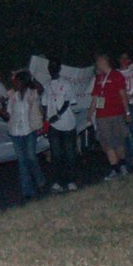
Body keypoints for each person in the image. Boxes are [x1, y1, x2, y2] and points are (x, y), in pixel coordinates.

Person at [0, 69, 46, 200]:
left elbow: (41, 89)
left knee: (31, 157)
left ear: (23, 82)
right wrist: (0, 109)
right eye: (14, 82)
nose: (15, 84)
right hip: (15, 131)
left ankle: (40, 181)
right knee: (22, 162)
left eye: (18, 81)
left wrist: (30, 76)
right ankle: (27, 191)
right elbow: (8, 115)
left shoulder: (32, 93)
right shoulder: (12, 96)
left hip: (30, 130)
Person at [90, 53, 130, 180]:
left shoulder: (117, 75)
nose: (97, 65)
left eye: (98, 62)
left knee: (119, 141)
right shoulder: (98, 78)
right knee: (107, 143)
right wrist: (90, 113)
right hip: (102, 116)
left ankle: (122, 166)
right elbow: (95, 97)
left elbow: (123, 95)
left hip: (117, 114)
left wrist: (127, 112)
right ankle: (115, 169)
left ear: (103, 62)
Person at [42, 57, 80, 192]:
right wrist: (45, 121)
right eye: (50, 66)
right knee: (56, 154)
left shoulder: (66, 83)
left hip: (68, 124)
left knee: (70, 153)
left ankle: (71, 180)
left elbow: (68, 101)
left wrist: (57, 115)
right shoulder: (46, 85)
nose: (52, 69)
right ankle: (57, 181)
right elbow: (45, 104)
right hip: (53, 126)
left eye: (54, 66)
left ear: (59, 68)